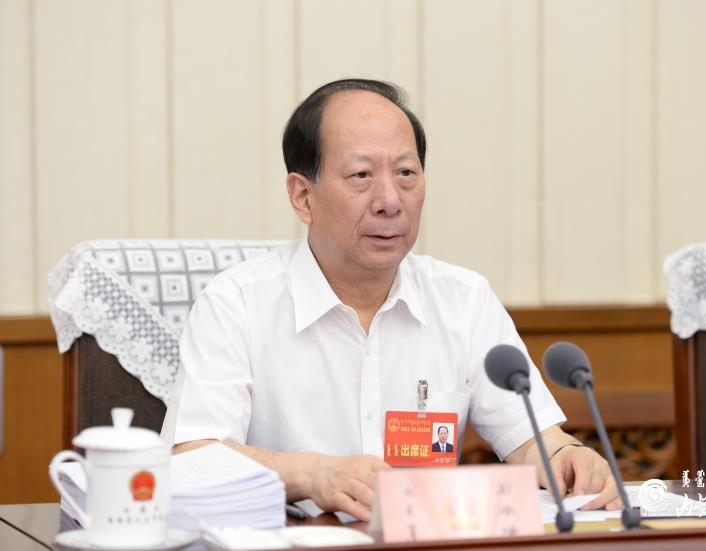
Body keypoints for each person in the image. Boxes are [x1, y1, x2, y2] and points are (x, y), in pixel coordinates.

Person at [161, 78, 621, 522]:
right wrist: (312, 474)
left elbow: (531, 441)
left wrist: (565, 456)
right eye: (362, 175)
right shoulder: (236, 304)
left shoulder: (463, 301)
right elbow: (190, 459)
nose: (390, 200)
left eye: (406, 174)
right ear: (303, 197)